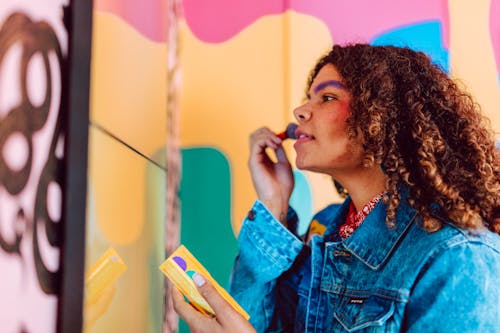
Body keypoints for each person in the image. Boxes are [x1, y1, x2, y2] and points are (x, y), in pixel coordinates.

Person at [172, 43, 500, 332]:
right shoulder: (325, 229)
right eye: (307, 99)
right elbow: (255, 323)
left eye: (327, 97)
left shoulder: (458, 257)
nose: (299, 111)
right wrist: (274, 204)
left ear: (383, 118)